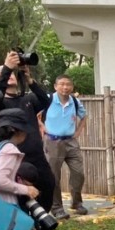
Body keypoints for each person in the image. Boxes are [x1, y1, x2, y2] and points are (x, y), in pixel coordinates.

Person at [0, 52, 56, 214]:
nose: (9, 75)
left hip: (38, 156)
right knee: (24, 199)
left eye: (12, 73)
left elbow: (47, 101)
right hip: (18, 158)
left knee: (48, 186)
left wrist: (30, 80)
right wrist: (6, 67)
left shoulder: (28, 99)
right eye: (4, 74)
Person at [41, 75, 87, 219]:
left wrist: (78, 131)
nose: (65, 87)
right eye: (61, 84)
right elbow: (36, 116)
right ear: (55, 86)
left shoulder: (74, 101)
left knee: (78, 173)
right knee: (54, 176)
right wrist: (42, 129)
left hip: (71, 142)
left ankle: (76, 203)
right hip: (53, 142)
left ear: (72, 87)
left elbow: (84, 116)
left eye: (68, 84)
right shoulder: (47, 99)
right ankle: (57, 208)